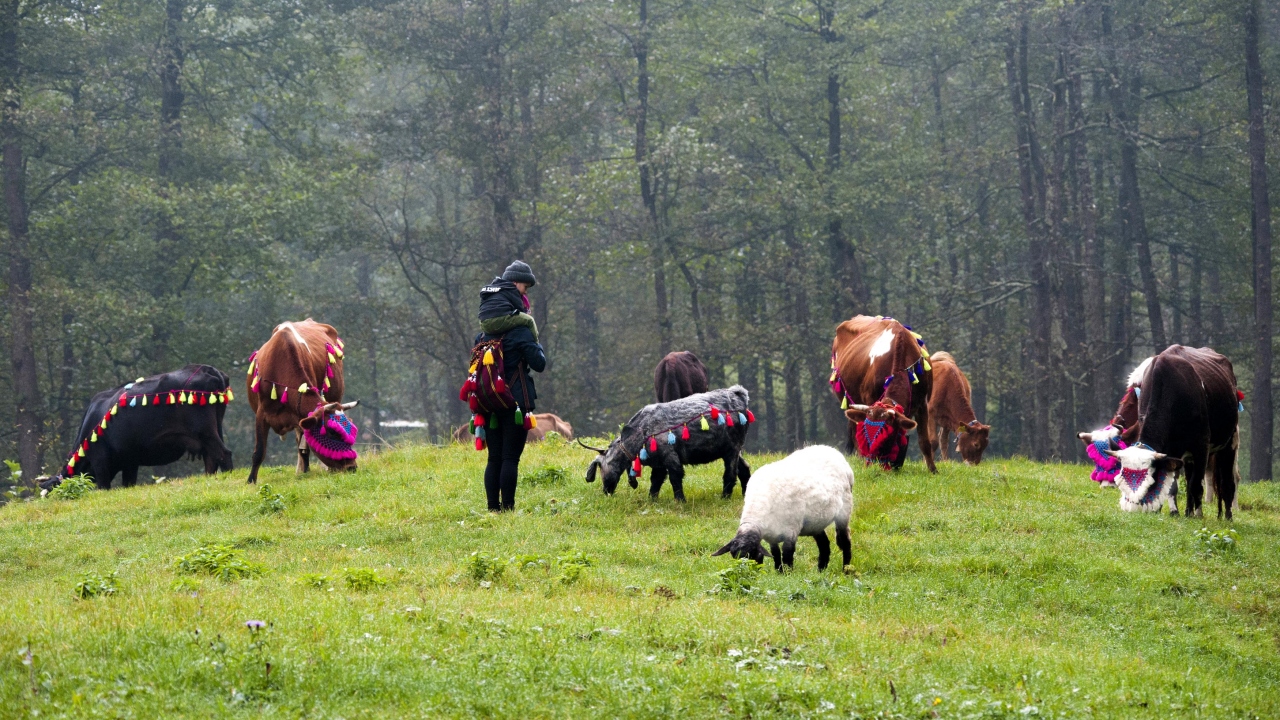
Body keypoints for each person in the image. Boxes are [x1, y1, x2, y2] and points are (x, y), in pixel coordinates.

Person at [476, 260, 546, 511]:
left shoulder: (483, 334)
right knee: (509, 459)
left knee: (493, 458)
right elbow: (539, 364)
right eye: (525, 288)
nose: (525, 292)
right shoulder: (521, 332)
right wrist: (536, 346)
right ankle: (508, 508)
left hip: (489, 404)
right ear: (515, 286)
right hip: (515, 403)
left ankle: (492, 508)